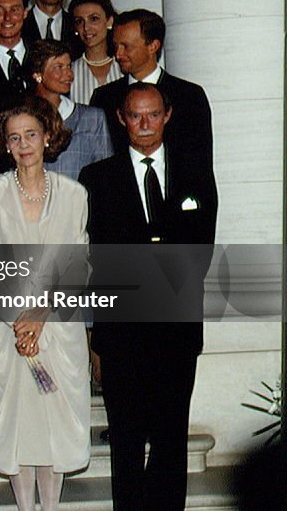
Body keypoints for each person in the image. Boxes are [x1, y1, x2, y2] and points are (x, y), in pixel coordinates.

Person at [79, 83, 217, 510]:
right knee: (125, 441)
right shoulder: (97, 178)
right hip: (122, 334)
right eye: (135, 115)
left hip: (176, 329)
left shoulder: (194, 170)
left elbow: (201, 250)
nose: (144, 124)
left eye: (152, 115)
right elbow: (96, 259)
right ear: (121, 118)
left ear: (168, 115)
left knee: (171, 438)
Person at [0, 96, 90, 511]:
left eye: (31, 135)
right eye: (14, 137)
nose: (24, 144)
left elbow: (78, 264)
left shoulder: (74, 194)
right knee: (18, 425)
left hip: (56, 326)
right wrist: (19, 321)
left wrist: (41, 316)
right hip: (6, 329)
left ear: (47, 138)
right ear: (5, 144)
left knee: (54, 422)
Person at [89, 8, 213, 167]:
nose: (118, 55)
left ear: (153, 46)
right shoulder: (104, 98)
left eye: (126, 46)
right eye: (116, 46)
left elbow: (201, 164)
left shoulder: (189, 96)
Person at [25, 39, 113, 179]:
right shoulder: (20, 118)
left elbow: (106, 174)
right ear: (37, 74)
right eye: (59, 67)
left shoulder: (92, 118)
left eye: (69, 66)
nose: (69, 75)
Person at [68, 0, 121, 104]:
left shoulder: (124, 67)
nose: (86, 27)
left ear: (109, 21)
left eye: (94, 19)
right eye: (79, 21)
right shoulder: (69, 71)